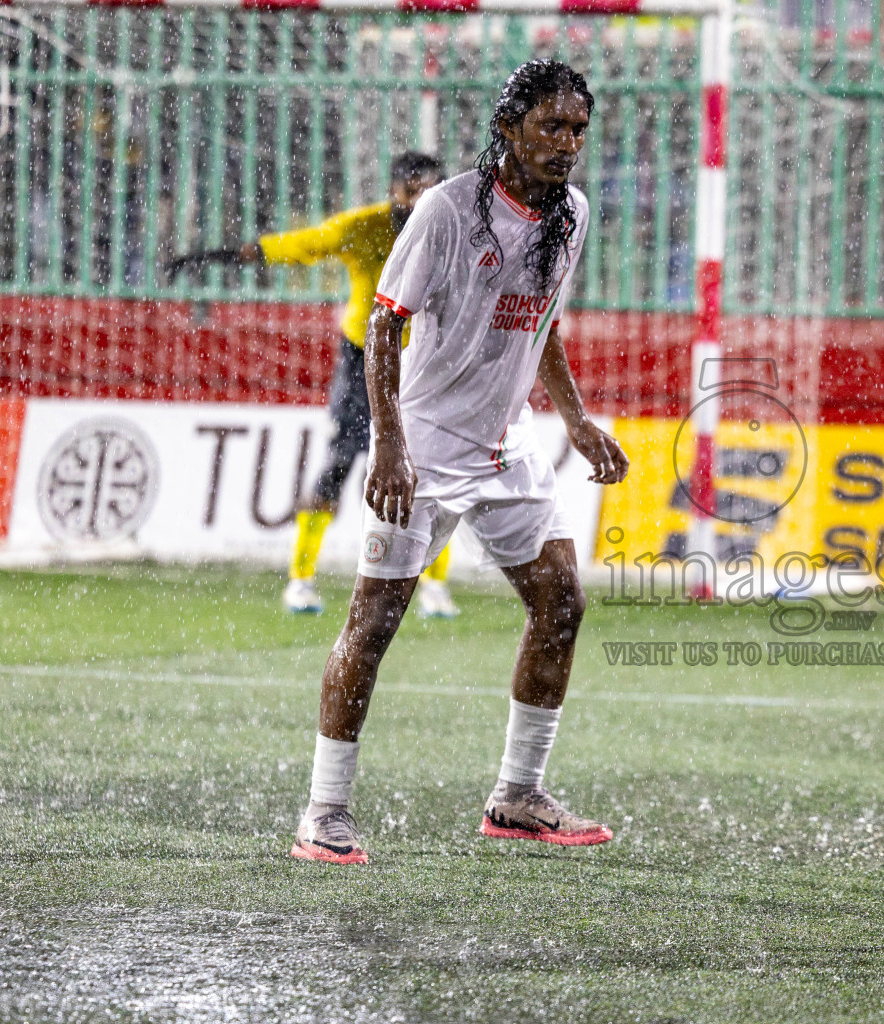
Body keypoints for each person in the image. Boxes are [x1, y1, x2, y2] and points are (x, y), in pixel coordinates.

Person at [288, 60, 629, 866]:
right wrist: (391, 446)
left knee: (562, 603)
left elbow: (541, 322)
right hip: (425, 447)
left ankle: (516, 795)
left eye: (578, 129)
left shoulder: (570, 214)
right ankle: (323, 812)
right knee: (373, 623)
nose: (568, 143)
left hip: (504, 445)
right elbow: (382, 327)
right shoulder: (444, 212)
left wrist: (576, 421)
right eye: (552, 125)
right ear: (510, 127)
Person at [167, 152, 462, 620]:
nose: (423, 197)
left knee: (432, 473)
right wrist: (210, 257)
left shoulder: (452, 231)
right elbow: (294, 246)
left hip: (421, 364)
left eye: (432, 187)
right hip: (364, 359)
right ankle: (301, 579)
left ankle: (434, 585)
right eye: (414, 188)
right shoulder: (362, 227)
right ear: (395, 191)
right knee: (342, 460)